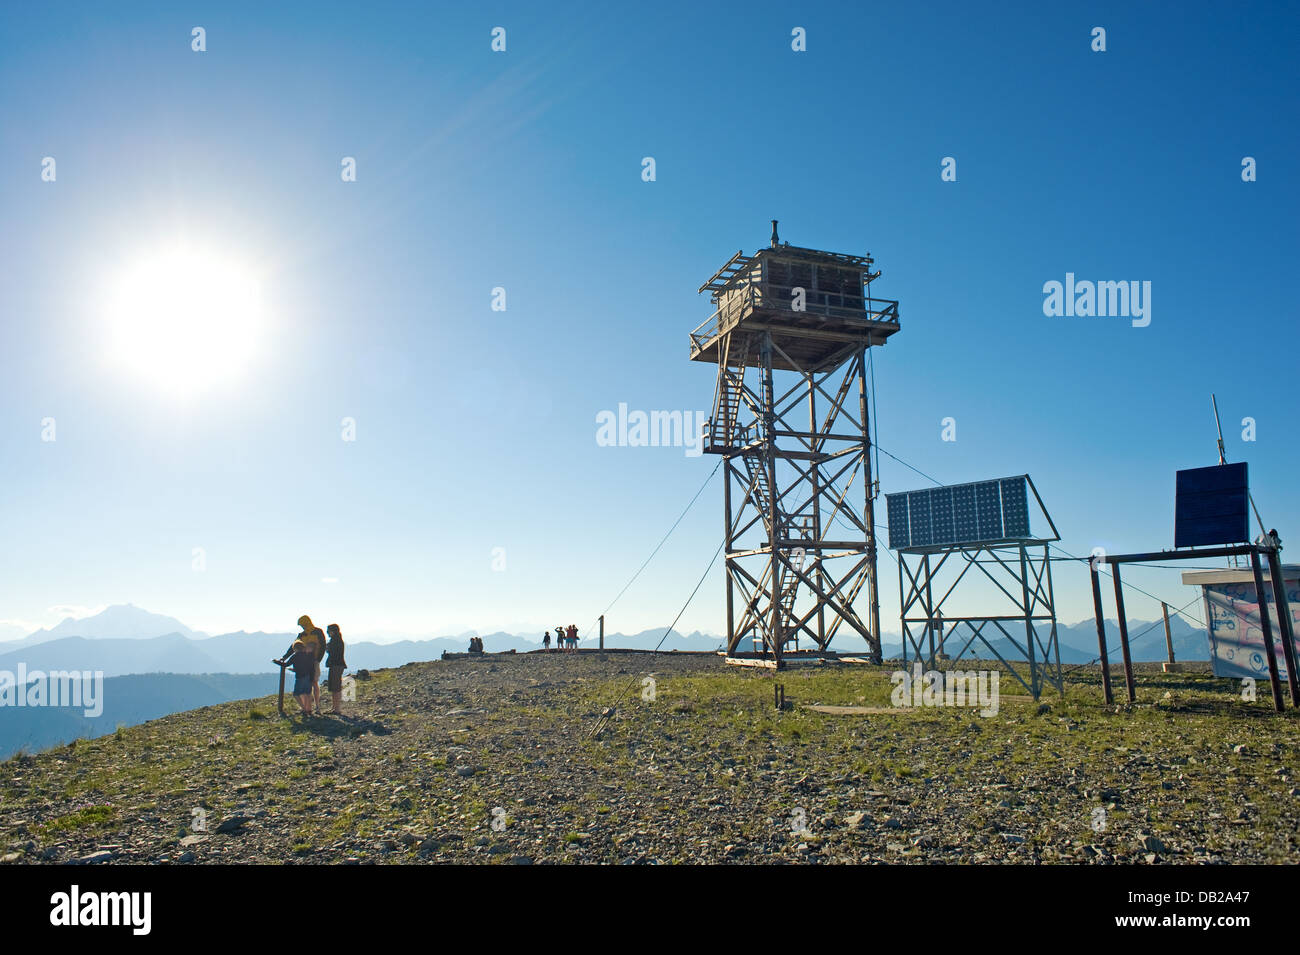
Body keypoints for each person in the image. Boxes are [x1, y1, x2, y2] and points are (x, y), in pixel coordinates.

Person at [297, 615, 327, 711]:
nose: (302, 627)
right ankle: (306, 707)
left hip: (314, 661)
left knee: (314, 682)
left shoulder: (318, 632)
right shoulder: (302, 635)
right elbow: (294, 647)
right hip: (304, 663)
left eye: (302, 625)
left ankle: (317, 705)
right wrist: (285, 656)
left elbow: (323, 646)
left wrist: (318, 660)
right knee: (306, 683)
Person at [287, 639, 316, 716]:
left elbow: (286, 664)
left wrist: (277, 661)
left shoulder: (295, 656)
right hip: (308, 676)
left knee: (296, 694)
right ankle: (308, 709)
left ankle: (303, 709)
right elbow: (309, 666)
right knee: (307, 693)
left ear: (295, 649)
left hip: (300, 677)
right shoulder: (307, 655)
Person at [325, 623, 347, 715]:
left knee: (336, 688)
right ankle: (334, 708)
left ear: (333, 631)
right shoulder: (337, 640)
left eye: (328, 631)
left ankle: (337, 709)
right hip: (336, 665)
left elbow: (332, 652)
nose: (327, 633)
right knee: (334, 687)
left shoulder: (335, 641)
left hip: (336, 665)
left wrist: (327, 648)